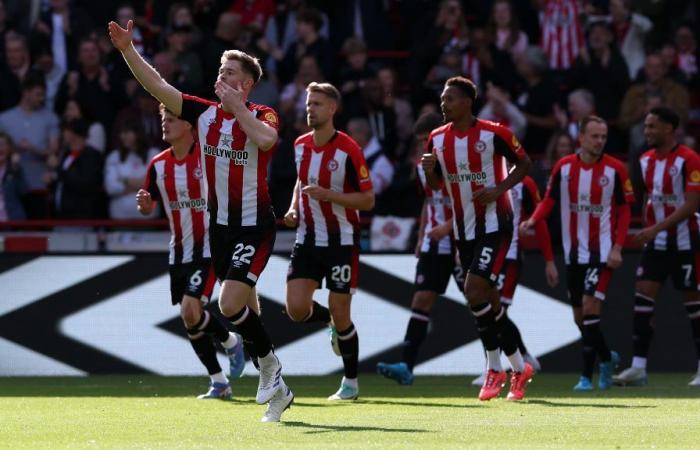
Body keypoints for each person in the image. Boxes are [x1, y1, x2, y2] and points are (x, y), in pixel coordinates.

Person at [108, 19, 293, 422]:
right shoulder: (202, 114)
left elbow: (267, 141)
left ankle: (270, 369)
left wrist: (241, 108)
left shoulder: (263, 114)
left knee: (228, 305)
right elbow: (156, 86)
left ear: (246, 85)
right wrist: (127, 50)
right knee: (249, 311)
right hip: (221, 229)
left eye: (230, 73)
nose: (221, 77)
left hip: (255, 224)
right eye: (220, 71)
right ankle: (278, 391)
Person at [421, 76, 533, 401]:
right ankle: (519, 366)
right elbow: (439, 187)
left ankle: (493, 367)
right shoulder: (436, 139)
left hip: (497, 225)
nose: (444, 104)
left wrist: (499, 189)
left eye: (450, 99)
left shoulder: (494, 133)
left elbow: (525, 162)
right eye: (442, 98)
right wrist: (430, 171)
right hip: (464, 230)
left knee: (473, 291)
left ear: (468, 102)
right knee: (491, 304)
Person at [137, 105, 246, 399]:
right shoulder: (158, 165)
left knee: (190, 308)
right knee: (190, 318)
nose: (165, 125)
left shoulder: (206, 157)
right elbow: (147, 205)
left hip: (209, 250)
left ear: (188, 126)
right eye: (162, 120)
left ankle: (231, 341)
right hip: (179, 252)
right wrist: (146, 207)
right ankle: (219, 382)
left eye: (171, 120)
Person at [521, 115, 634, 391]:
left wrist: (618, 247)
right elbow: (549, 200)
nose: (600, 141)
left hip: (602, 253)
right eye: (595, 136)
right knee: (579, 318)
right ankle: (606, 358)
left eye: (603, 137)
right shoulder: (564, 167)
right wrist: (534, 220)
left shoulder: (616, 170)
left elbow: (624, 210)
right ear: (580, 137)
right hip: (573, 254)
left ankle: (586, 377)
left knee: (590, 309)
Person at [283, 82, 375, 401]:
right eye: (309, 103)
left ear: (333, 109)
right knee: (295, 309)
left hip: (341, 241)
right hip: (307, 238)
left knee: (342, 308)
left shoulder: (349, 149)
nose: (311, 109)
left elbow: (368, 200)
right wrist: (294, 208)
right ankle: (332, 325)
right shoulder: (299, 145)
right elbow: (300, 180)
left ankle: (350, 383)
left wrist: (330, 196)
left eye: (318, 104)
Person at [613, 107, 700, 387]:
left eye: (652, 126)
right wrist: (650, 228)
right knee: (643, 298)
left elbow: (691, 205)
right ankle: (639, 368)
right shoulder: (645, 159)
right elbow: (650, 198)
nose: (647, 131)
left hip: (687, 242)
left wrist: (653, 228)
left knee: (694, 305)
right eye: (646, 126)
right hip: (657, 243)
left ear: (669, 129)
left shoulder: (690, 159)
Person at [376, 112, 462, 385]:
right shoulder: (423, 167)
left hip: (461, 239)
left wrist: (448, 228)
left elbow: (468, 203)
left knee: (481, 302)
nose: (425, 145)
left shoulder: (457, 162)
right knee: (421, 301)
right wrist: (421, 235)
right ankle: (406, 365)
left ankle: (511, 358)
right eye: (422, 141)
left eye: (428, 139)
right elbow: (429, 202)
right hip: (434, 242)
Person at [471, 173, 556, 386]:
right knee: (496, 313)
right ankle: (524, 355)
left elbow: (539, 219)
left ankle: (492, 367)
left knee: (498, 311)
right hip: (487, 253)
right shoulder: (483, 176)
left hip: (511, 256)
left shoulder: (525, 182)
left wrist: (549, 260)